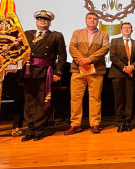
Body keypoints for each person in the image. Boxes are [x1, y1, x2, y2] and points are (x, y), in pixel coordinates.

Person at [21, 10, 67, 141]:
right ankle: (30, 129)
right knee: (29, 101)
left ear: (50, 22)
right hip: (28, 72)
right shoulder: (27, 34)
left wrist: (58, 72)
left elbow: (62, 56)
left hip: (45, 72)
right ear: (36, 21)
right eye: (40, 19)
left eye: (46, 20)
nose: (43, 21)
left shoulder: (56, 36)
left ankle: (39, 130)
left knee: (42, 101)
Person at [65, 12, 109, 135]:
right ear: (85, 20)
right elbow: (72, 47)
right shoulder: (77, 33)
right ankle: (75, 124)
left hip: (96, 69)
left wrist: (89, 60)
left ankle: (95, 124)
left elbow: (104, 49)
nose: (92, 20)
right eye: (90, 18)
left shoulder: (104, 35)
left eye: (95, 19)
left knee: (95, 97)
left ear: (98, 21)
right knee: (75, 98)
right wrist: (81, 60)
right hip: (78, 69)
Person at [108, 22, 135, 132]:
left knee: (130, 100)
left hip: (131, 74)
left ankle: (128, 122)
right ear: (121, 30)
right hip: (117, 73)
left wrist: (132, 67)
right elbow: (112, 56)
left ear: (132, 30)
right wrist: (124, 67)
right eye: (125, 28)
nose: (127, 29)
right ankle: (120, 123)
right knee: (119, 100)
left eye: (129, 28)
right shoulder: (114, 41)